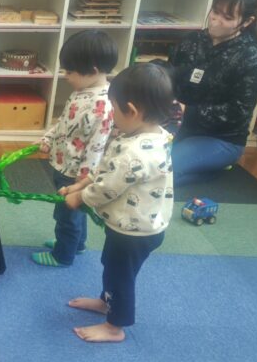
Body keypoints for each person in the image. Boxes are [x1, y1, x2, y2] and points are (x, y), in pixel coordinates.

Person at [61, 63, 175, 343]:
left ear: (132, 111)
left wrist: (80, 197)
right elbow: (108, 169)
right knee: (111, 266)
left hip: (135, 232)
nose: (111, 113)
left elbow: (108, 188)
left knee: (121, 276)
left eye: (113, 107)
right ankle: (105, 303)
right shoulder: (152, 134)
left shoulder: (136, 153)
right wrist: (81, 183)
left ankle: (115, 327)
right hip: (133, 224)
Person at [168, 0, 257, 187]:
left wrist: (187, 110)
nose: (215, 20)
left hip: (221, 139)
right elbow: (171, 75)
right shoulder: (193, 41)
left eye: (227, 17)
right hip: (177, 125)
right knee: (135, 158)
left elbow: (236, 113)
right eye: (215, 11)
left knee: (163, 172)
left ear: (247, 21)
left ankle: (213, 171)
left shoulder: (251, 58)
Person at [33, 31, 116, 267]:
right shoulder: (81, 92)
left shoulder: (102, 105)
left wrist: (81, 182)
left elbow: (97, 147)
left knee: (67, 215)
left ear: (92, 70)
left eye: (70, 72)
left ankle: (62, 255)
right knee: (77, 212)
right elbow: (64, 123)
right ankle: (76, 244)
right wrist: (48, 138)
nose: (65, 76)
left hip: (75, 175)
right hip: (64, 163)